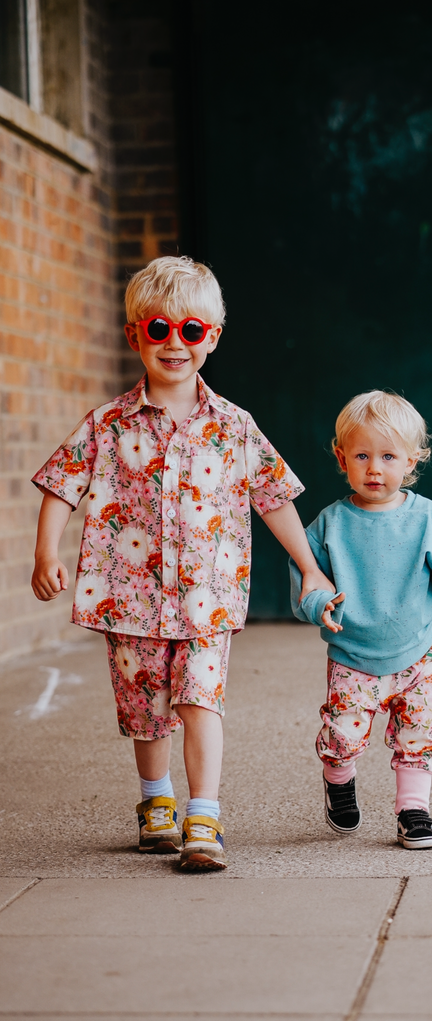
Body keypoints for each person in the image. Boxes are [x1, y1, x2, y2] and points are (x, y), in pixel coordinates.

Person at [31, 255, 332, 871]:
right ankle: (155, 802)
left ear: (212, 337)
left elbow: (272, 498)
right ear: (135, 334)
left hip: (206, 598)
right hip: (128, 598)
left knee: (200, 700)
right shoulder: (108, 423)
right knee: (145, 714)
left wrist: (310, 567)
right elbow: (62, 482)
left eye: (191, 330)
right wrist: (46, 550)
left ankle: (204, 816)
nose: (175, 343)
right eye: (159, 328)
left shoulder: (233, 426)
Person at [290, 390, 432, 849]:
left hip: (418, 651)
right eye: (361, 455)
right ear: (341, 458)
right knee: (341, 736)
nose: (374, 468)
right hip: (353, 654)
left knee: (418, 733)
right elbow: (306, 585)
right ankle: (339, 781)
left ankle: (413, 812)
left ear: (412, 460)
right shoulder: (329, 524)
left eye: (387, 456)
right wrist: (320, 605)